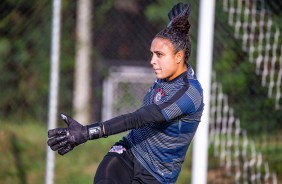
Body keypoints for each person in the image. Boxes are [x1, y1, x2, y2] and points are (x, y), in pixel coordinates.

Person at [47, 2, 204, 184]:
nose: (152, 60)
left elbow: (139, 118)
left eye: (159, 55)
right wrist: (176, 24)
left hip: (156, 175)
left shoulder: (190, 93)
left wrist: (87, 132)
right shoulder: (169, 67)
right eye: (152, 54)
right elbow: (171, 42)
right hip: (128, 151)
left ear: (179, 57)